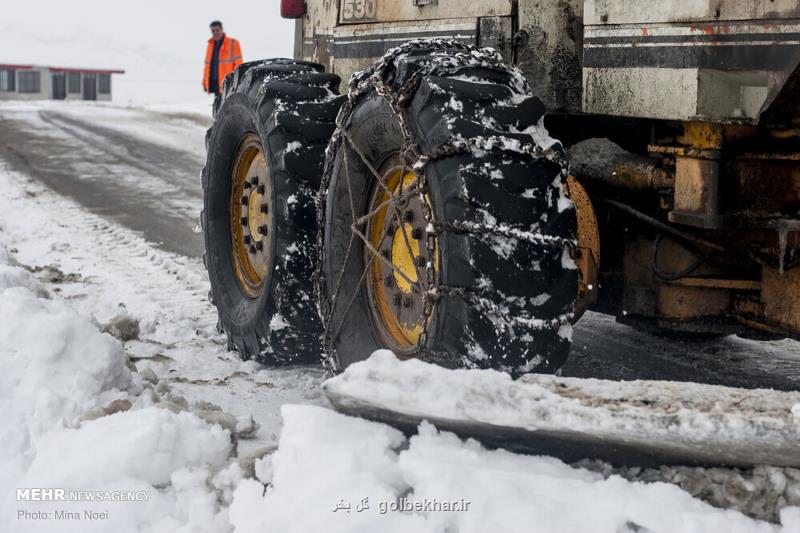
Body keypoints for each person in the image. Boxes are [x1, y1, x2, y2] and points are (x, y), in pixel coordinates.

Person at [203, 21, 243, 96]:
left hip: (228, 84)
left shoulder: (233, 43)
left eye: (217, 30)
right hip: (214, 83)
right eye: (213, 31)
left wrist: (236, 82)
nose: (215, 32)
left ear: (222, 29)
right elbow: (207, 65)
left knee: (228, 107)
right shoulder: (210, 45)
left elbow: (239, 65)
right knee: (217, 106)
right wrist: (205, 82)